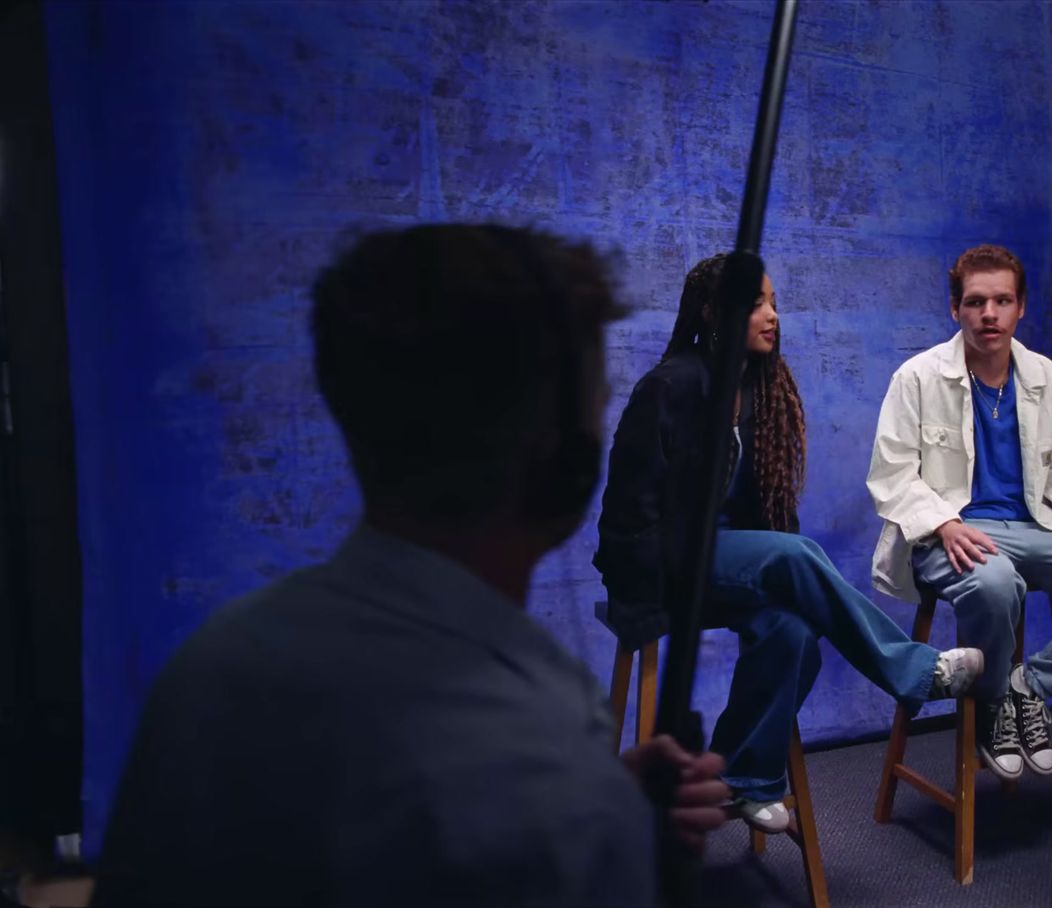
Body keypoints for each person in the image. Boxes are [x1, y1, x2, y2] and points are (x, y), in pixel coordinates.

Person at [91, 225, 728, 908]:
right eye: (598, 401)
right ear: (562, 457)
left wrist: (606, 797)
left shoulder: (212, 664)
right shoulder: (544, 757)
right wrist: (601, 824)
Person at [595, 253, 984, 833]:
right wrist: (658, 580)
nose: (772, 316)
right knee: (795, 555)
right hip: (659, 566)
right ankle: (916, 673)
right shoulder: (670, 387)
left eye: (774, 303)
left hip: (727, 564)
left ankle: (741, 773)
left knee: (794, 629)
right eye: (756, 304)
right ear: (713, 312)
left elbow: (766, 515)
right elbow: (626, 516)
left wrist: (792, 588)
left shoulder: (757, 391)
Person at [866, 244, 1052, 780]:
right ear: (955, 309)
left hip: (1036, 530)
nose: (990, 314)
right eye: (976, 302)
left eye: (1002, 301)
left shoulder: (1050, 381)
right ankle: (989, 709)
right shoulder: (915, 378)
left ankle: (1026, 688)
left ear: (1021, 307)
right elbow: (892, 475)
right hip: (950, 533)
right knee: (995, 582)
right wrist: (944, 522)